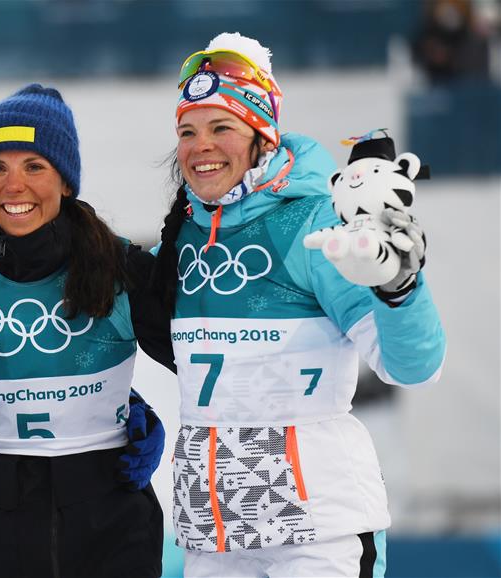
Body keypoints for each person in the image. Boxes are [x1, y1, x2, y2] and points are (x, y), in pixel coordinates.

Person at [149, 33, 446, 577]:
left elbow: (412, 367)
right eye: (187, 131)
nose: (199, 146)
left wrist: (400, 287)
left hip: (316, 530)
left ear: (263, 136)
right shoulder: (180, 239)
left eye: (222, 127)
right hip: (211, 535)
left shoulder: (314, 224)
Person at [0, 84, 167, 578]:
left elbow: (205, 354)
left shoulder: (122, 265)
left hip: (110, 519)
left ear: (66, 182)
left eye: (34, 166)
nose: (13, 185)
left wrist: (136, 415)